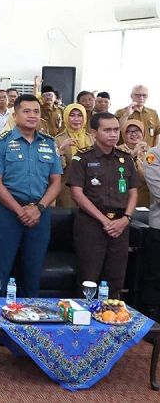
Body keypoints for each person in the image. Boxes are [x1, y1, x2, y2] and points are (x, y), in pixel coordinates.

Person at [0, 94, 63, 297]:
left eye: (36, 111)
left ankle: (29, 321)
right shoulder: (0, 143)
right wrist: (20, 210)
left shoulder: (49, 143)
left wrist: (38, 209)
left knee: (33, 270)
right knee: (0, 270)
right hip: (8, 213)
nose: (32, 116)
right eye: (26, 111)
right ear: (16, 113)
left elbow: (56, 182)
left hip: (40, 213)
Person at [67, 112, 139, 299]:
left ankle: (111, 320)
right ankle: (84, 322)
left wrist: (126, 219)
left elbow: (133, 192)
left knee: (115, 279)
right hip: (92, 224)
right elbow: (76, 193)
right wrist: (104, 221)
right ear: (94, 132)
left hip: (120, 225)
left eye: (116, 130)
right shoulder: (82, 158)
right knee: (88, 278)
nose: (113, 134)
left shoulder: (125, 158)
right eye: (107, 130)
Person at [54, 104, 94, 207]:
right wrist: (61, 151)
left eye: (80, 115)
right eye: (72, 115)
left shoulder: (92, 139)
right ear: (66, 117)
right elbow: (56, 170)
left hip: (91, 191)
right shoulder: (57, 140)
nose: (76, 119)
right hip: (66, 192)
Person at [140, 143, 160, 322]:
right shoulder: (153, 155)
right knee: (155, 277)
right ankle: (153, 326)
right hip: (159, 227)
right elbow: (158, 192)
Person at [118, 120, 151, 207]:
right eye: (128, 132)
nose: (133, 134)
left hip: (148, 197)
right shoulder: (118, 151)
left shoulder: (150, 151)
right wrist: (133, 154)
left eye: (137, 131)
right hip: (125, 197)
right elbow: (117, 172)